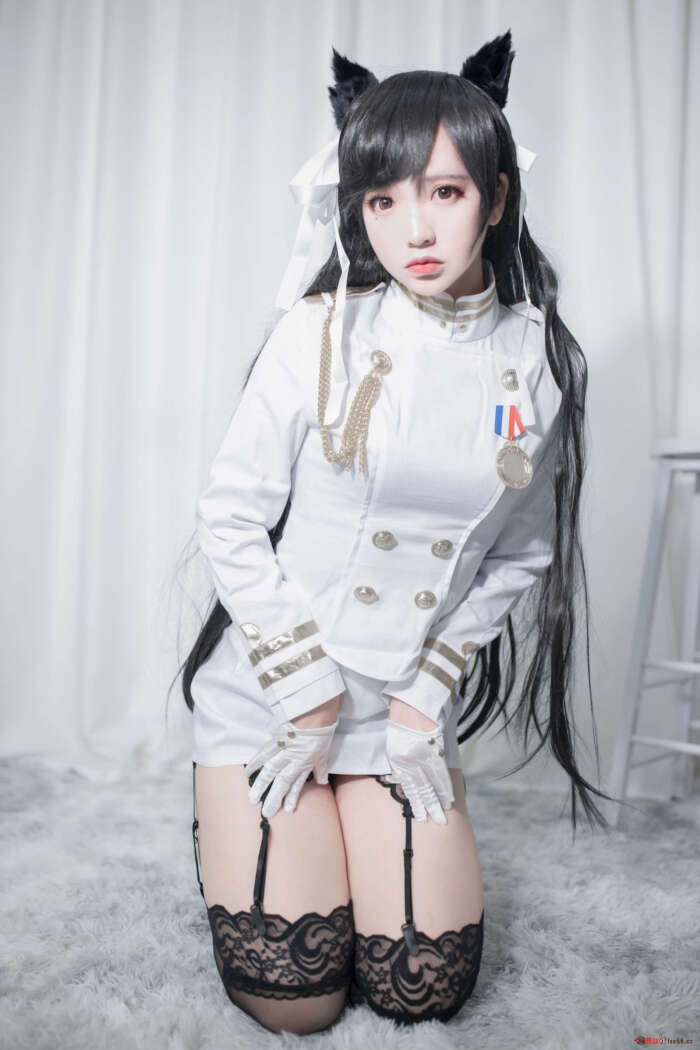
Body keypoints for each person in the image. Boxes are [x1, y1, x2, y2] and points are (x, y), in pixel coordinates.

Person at [177, 30, 617, 1034]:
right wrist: (304, 690)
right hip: (281, 698)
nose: (411, 227)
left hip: (402, 712)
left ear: (495, 198)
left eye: (444, 192)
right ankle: (228, 806)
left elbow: (523, 550)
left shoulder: (541, 360)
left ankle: (335, 819)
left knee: (425, 987)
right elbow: (230, 515)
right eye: (381, 200)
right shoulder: (319, 329)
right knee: (296, 999)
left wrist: (426, 697)